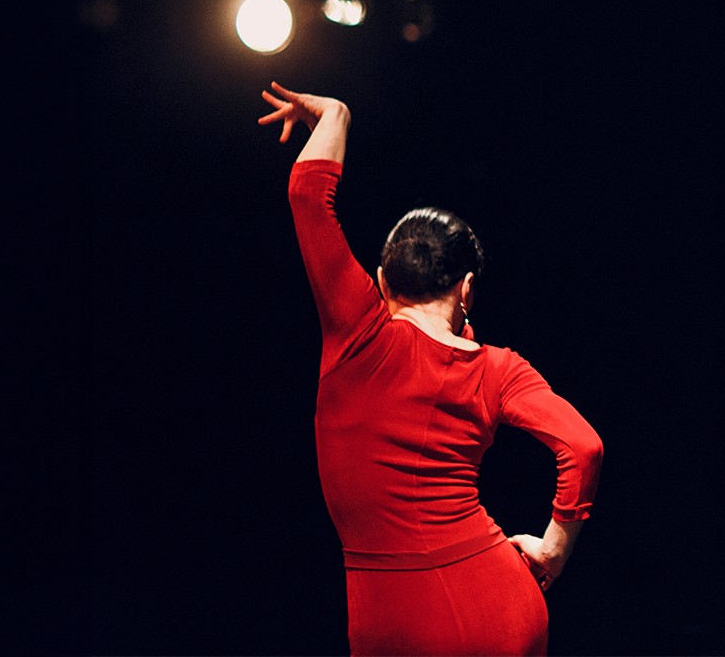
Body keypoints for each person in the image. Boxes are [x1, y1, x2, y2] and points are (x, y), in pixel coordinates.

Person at [258, 82, 603, 657]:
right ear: (466, 289)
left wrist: (336, 114)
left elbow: (306, 195)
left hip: (395, 618)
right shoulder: (498, 369)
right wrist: (554, 549)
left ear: (382, 280)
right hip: (498, 605)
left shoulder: (359, 332)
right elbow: (584, 446)